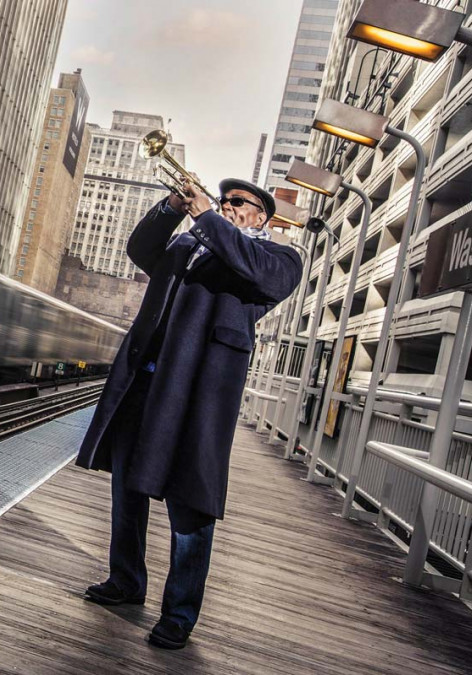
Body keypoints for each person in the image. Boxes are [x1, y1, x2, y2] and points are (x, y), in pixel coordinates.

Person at [75, 176, 302, 650]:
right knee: (126, 487)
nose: (227, 206)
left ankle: (179, 613)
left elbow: (257, 272)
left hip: (200, 391)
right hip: (147, 382)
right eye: (224, 201)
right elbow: (141, 250)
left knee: (191, 504)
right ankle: (125, 581)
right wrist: (171, 206)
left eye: (238, 203)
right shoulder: (189, 240)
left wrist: (208, 216)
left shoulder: (278, 258)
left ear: (263, 216)